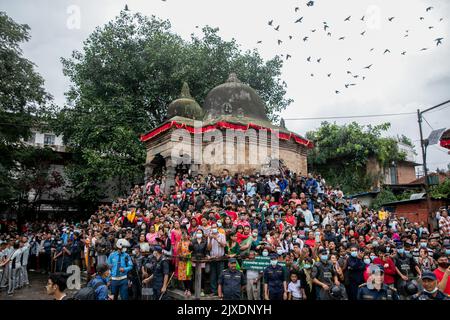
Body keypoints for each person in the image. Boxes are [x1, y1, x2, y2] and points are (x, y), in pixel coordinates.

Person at [207, 222, 226, 296]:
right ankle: (213, 291)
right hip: (212, 258)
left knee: (220, 275)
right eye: (212, 227)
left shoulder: (222, 235)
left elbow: (224, 245)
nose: (214, 229)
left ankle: (221, 291)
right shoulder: (209, 236)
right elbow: (208, 248)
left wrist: (217, 239)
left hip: (220, 258)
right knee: (213, 275)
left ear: (217, 228)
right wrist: (211, 239)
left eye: (215, 227)